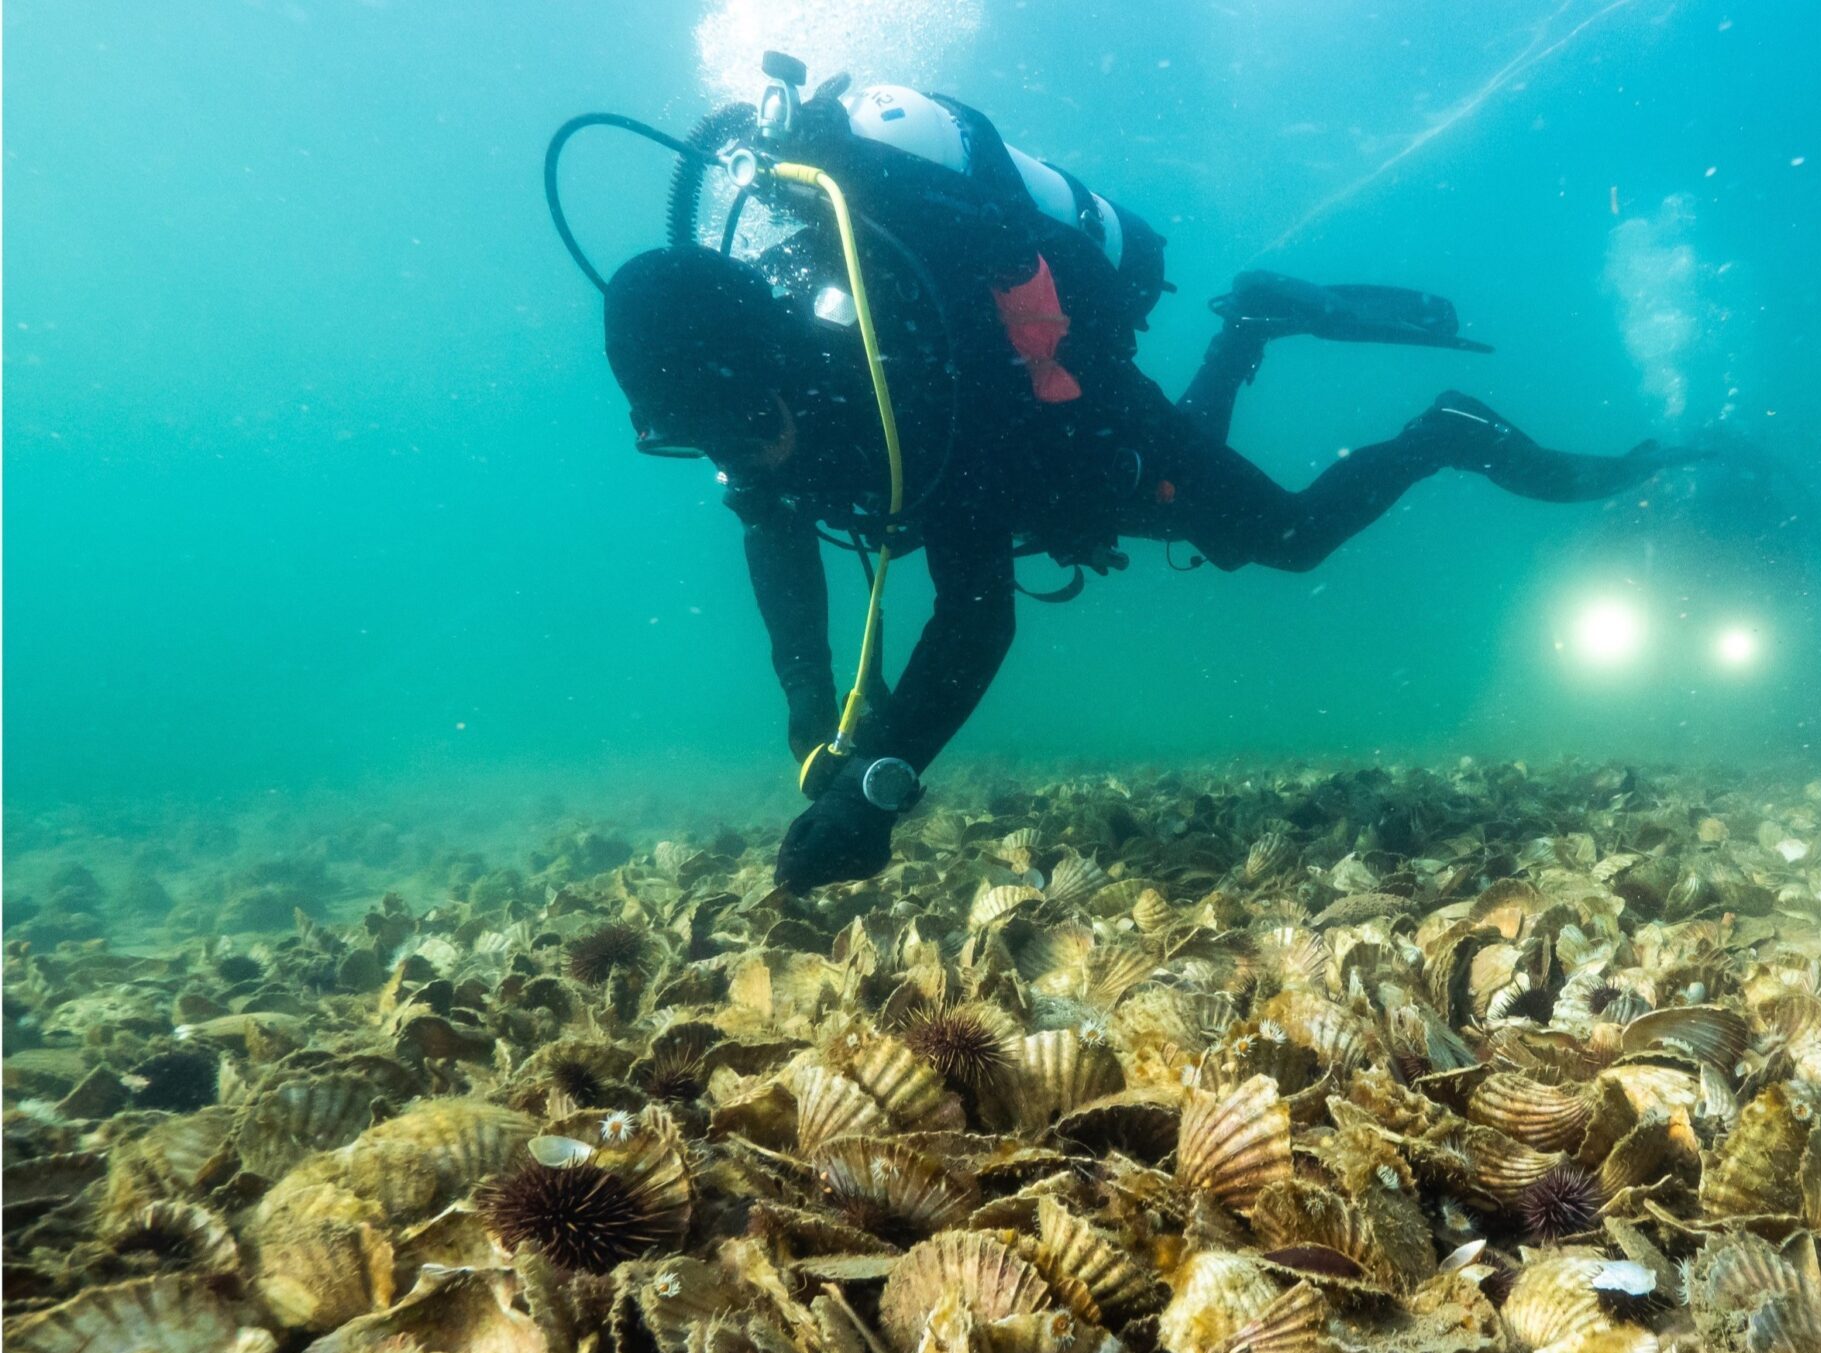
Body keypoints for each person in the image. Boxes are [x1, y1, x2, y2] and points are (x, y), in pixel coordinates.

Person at [599, 82, 1696, 890]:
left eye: (745, 428)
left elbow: (975, 618)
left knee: (1286, 536)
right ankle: (1253, 327)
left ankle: (1445, 431)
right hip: (1051, 478)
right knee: (1184, 510)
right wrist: (807, 716)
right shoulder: (754, 413)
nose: (747, 461)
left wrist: (877, 786)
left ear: (774, 367)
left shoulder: (917, 379)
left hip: (1078, 435)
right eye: (700, 442)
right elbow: (771, 531)